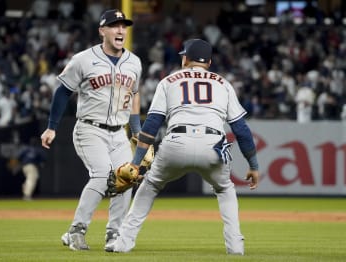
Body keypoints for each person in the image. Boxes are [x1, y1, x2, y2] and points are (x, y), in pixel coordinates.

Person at [106, 39, 259, 255]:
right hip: (212, 145)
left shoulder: (168, 81)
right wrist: (253, 164)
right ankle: (235, 247)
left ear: (186, 58)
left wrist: (136, 162)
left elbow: (151, 125)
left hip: (176, 142)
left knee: (149, 186)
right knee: (225, 189)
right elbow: (241, 129)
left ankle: (123, 243)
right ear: (210, 62)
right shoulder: (223, 84)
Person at [40, 9, 142, 251]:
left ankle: (114, 234)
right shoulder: (83, 59)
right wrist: (51, 127)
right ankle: (76, 230)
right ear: (102, 31)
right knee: (102, 174)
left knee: (125, 179)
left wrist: (136, 130)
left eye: (123, 26)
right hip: (89, 128)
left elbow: (134, 95)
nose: (120, 30)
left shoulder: (134, 62)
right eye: (114, 25)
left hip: (119, 132)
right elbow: (63, 91)